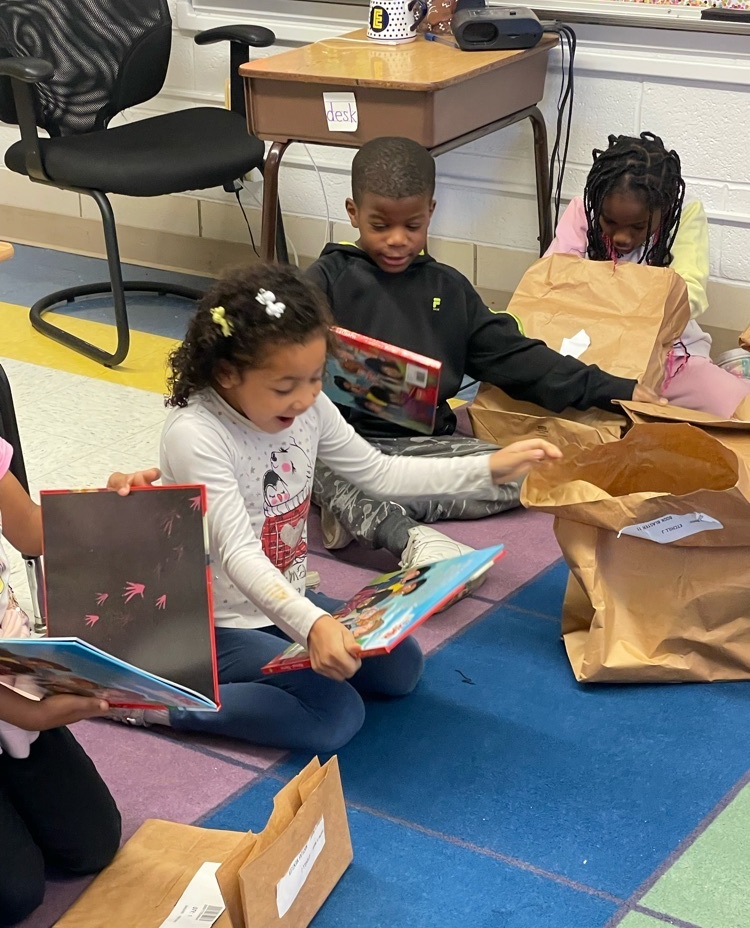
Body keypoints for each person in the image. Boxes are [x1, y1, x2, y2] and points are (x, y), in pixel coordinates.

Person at [106, 264, 561, 752]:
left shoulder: (309, 406)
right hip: (209, 623)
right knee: (333, 713)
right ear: (226, 374)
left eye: (315, 379)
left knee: (400, 668)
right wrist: (314, 625)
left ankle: (266, 662)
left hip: (281, 602)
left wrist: (489, 468)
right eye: (285, 387)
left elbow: (381, 473)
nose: (304, 399)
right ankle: (159, 703)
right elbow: (237, 555)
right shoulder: (197, 434)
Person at [304, 136, 661, 573]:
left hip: (423, 448)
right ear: (353, 213)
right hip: (341, 447)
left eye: (412, 226)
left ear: (430, 212)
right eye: (380, 226)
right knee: (323, 465)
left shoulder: (448, 289)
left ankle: (362, 510)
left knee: (528, 474)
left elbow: (522, 360)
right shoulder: (323, 282)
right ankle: (408, 537)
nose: (397, 240)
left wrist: (619, 390)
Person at [0, 446, 157, 927]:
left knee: (92, 842)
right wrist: (20, 712)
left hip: (14, 684)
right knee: (15, 895)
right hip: (13, 701)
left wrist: (114, 508)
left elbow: (28, 525)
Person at [546, 131, 750, 420]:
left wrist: (619, 306)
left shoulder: (684, 213)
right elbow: (553, 275)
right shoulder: (584, 207)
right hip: (588, 355)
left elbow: (689, 294)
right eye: (609, 222)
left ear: (663, 210)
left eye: (638, 227)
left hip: (669, 359)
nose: (621, 237)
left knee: (738, 410)